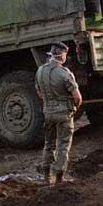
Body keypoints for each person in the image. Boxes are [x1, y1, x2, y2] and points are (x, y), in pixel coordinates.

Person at [35, 42, 82, 185]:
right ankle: (59, 176)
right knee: (63, 144)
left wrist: (50, 102)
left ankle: (46, 175)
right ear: (62, 55)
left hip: (48, 112)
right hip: (64, 114)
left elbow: (39, 91)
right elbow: (77, 97)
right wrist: (74, 109)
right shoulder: (64, 73)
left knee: (49, 143)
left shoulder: (40, 71)